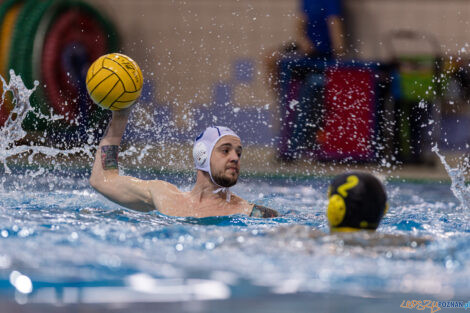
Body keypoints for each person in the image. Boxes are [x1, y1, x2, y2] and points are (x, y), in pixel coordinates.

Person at [89, 109, 279, 218]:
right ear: (201, 154)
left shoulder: (251, 213)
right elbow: (102, 179)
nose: (235, 158)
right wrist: (120, 115)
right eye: (225, 150)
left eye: (238, 153)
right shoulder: (163, 195)